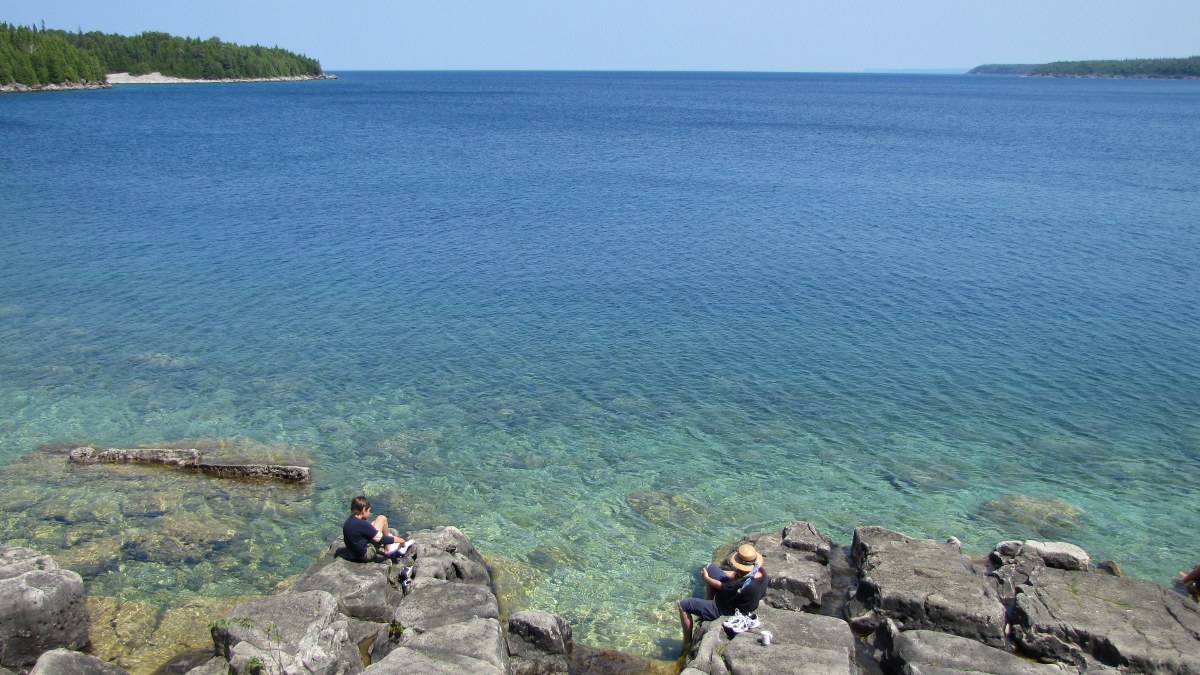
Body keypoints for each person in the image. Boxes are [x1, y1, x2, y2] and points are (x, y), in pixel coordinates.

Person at [678, 543, 769, 646]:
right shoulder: (762, 574)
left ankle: (687, 642)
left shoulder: (739, 584)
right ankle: (707, 603)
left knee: (683, 605)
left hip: (726, 610)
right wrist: (717, 572)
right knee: (709, 567)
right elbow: (733, 577)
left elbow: (721, 585)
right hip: (743, 600)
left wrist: (706, 578)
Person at [342, 495, 408, 562]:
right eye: (369, 510)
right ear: (364, 510)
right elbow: (381, 539)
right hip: (364, 555)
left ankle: (386, 538)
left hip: (352, 555)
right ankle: (387, 548)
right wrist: (400, 540)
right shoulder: (363, 524)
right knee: (382, 518)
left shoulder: (349, 521)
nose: (369, 513)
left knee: (374, 523)